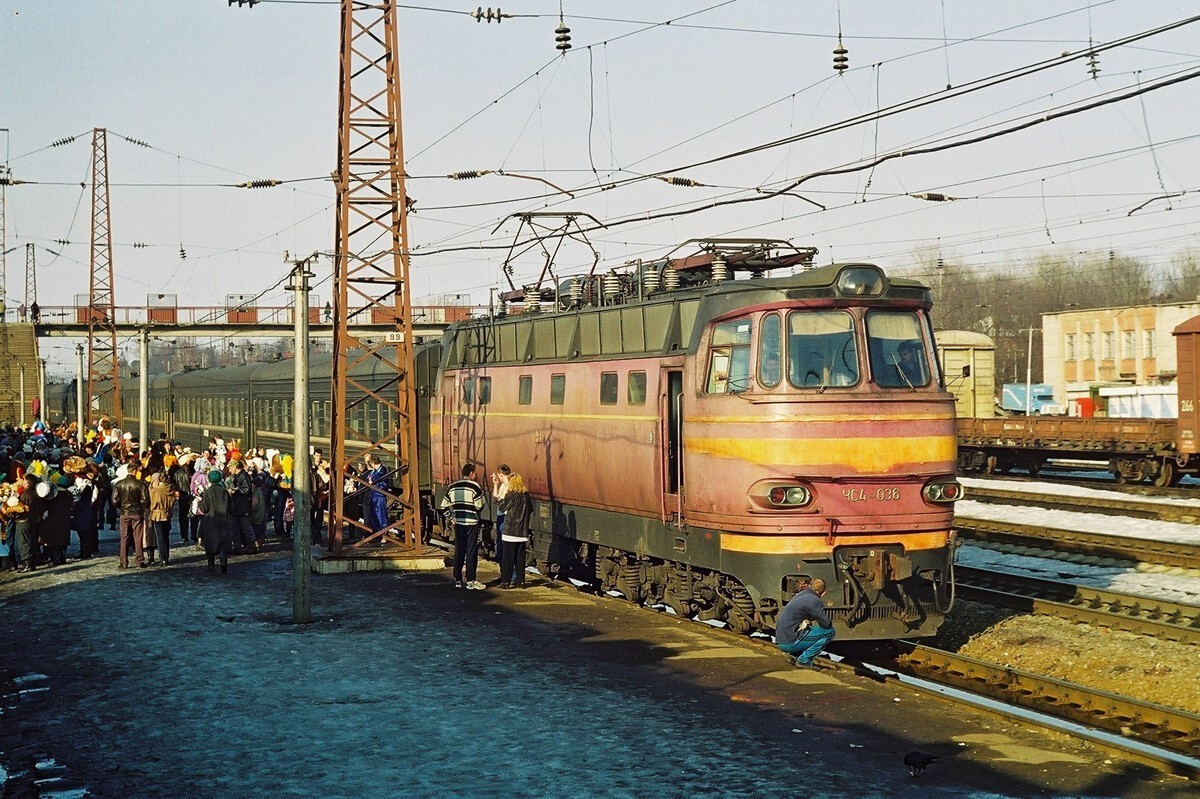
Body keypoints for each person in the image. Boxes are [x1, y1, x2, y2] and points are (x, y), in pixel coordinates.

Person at [440, 463, 485, 590]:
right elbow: (479, 506)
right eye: (474, 473)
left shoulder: (453, 486)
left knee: (459, 549)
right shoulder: (475, 487)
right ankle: (471, 580)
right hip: (472, 523)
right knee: (471, 551)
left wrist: (451, 517)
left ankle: (458, 579)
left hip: (458, 522)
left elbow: (443, 506)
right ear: (471, 473)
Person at [775, 578, 835, 668]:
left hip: (780, 639)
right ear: (823, 593)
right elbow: (826, 624)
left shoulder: (801, 594)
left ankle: (794, 656)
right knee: (830, 632)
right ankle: (804, 660)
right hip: (789, 643)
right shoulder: (814, 600)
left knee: (808, 629)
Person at [497, 472, 531, 589]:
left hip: (510, 532)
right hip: (522, 532)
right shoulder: (526, 496)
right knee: (520, 558)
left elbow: (502, 508)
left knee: (508, 558)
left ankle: (505, 581)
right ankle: (520, 582)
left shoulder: (510, 495)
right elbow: (530, 510)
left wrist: (501, 499)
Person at [112, 464, 150, 568]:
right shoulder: (140, 484)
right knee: (138, 537)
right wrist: (142, 507)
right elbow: (145, 500)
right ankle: (140, 560)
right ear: (135, 471)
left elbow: (114, 500)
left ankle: (123, 562)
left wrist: (122, 507)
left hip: (125, 513)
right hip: (137, 513)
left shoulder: (119, 484)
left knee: (124, 537)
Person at [198, 469, 232, 574]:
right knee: (223, 545)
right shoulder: (225, 492)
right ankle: (223, 564)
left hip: (211, 522)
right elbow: (230, 507)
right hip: (224, 521)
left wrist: (199, 502)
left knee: (210, 544)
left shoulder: (208, 492)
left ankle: (211, 565)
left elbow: (204, 508)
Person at [148, 471, 176, 566]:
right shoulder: (170, 488)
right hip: (167, 513)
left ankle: (162, 558)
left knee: (159, 537)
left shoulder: (156, 490)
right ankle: (166, 557)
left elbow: (153, 503)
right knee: (166, 536)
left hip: (158, 514)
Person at [363, 455, 390, 542]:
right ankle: (377, 533)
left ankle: (384, 534)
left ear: (373, 463)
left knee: (381, 515)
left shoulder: (382, 470)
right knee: (374, 516)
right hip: (374, 495)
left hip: (379, 495)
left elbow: (378, 478)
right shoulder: (374, 471)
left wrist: (372, 481)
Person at [490, 464, 511, 560]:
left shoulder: (507, 486)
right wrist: (496, 484)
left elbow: (495, 500)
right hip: (505, 515)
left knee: (501, 541)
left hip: (504, 515)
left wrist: (495, 485)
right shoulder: (505, 485)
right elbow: (495, 500)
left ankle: (502, 563)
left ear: (501, 474)